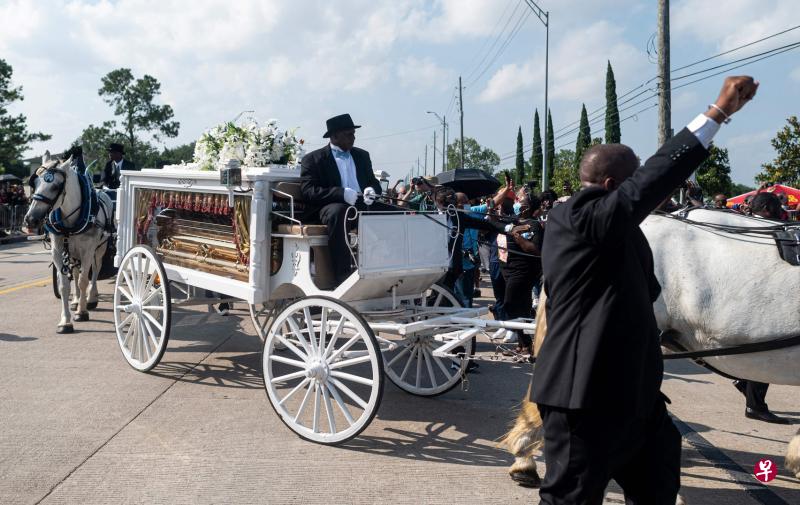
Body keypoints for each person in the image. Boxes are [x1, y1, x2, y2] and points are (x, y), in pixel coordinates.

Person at [532, 76, 758, 504]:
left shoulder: (619, 231)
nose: (650, 196)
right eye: (634, 182)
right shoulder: (577, 217)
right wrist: (717, 114)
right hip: (584, 403)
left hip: (636, 399)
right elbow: (651, 181)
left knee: (659, 486)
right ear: (614, 187)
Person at [300, 113, 386, 284]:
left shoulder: (362, 156)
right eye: (349, 134)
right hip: (329, 206)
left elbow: (373, 183)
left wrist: (372, 190)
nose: (353, 138)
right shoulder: (313, 159)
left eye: (354, 134)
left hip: (362, 204)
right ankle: (342, 274)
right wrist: (340, 193)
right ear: (334, 136)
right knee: (341, 212)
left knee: (396, 213)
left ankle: (391, 267)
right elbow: (308, 191)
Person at [498, 193, 543, 357]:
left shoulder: (534, 225)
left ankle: (527, 342)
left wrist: (519, 238)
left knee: (510, 305)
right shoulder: (514, 221)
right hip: (508, 270)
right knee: (521, 307)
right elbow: (494, 222)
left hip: (523, 271)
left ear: (527, 207)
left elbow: (536, 250)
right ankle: (523, 345)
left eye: (520, 201)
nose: (517, 203)